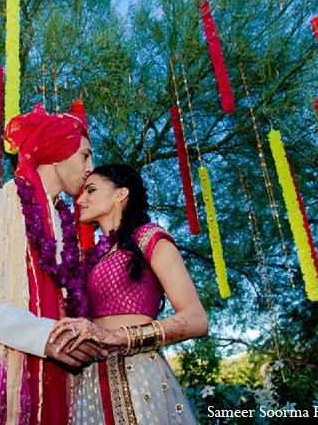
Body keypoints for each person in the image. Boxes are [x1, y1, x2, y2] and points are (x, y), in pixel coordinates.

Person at [0, 102, 107, 425]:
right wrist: (42, 336)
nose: (91, 167)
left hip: (60, 396)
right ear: (58, 150)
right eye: (85, 155)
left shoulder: (67, 231)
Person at [50, 163, 209, 424]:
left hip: (138, 375)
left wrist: (116, 337)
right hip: (88, 384)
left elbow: (196, 320)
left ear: (120, 194)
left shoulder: (149, 237)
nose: (80, 199)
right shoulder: (94, 258)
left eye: (90, 190)